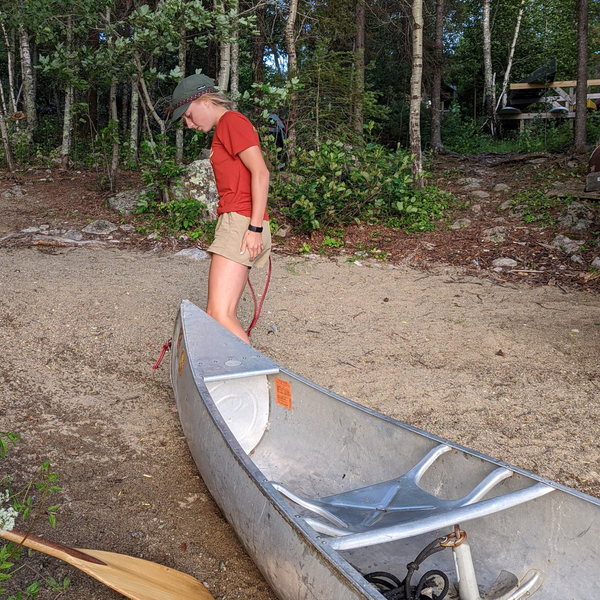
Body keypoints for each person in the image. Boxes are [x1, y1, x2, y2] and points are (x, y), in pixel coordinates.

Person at [170, 74, 271, 344]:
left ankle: (257, 381)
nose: (189, 125)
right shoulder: (227, 126)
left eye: (189, 116)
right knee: (223, 313)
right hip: (237, 220)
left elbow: (261, 173)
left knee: (219, 315)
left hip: (241, 222)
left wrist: (254, 227)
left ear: (204, 101)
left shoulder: (230, 122)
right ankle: (236, 374)